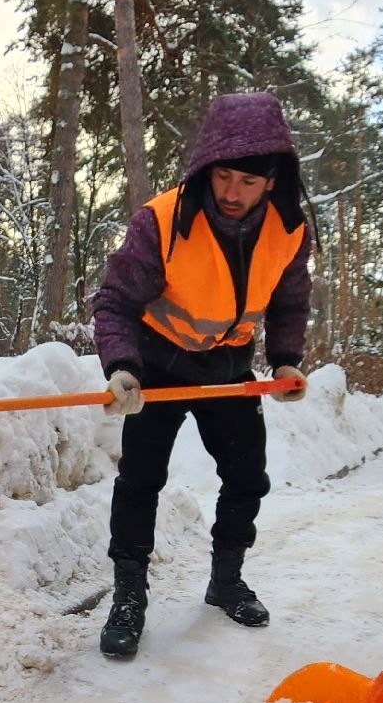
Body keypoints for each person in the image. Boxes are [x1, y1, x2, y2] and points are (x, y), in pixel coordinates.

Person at [90, 91, 314, 660]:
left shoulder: (289, 230)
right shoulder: (162, 221)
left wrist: (287, 357)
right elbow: (114, 302)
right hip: (158, 362)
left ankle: (225, 580)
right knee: (141, 480)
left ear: (273, 181)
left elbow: (290, 300)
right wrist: (121, 367)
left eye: (248, 181)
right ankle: (129, 594)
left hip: (230, 367)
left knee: (246, 479)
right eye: (224, 177)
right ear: (206, 169)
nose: (232, 193)